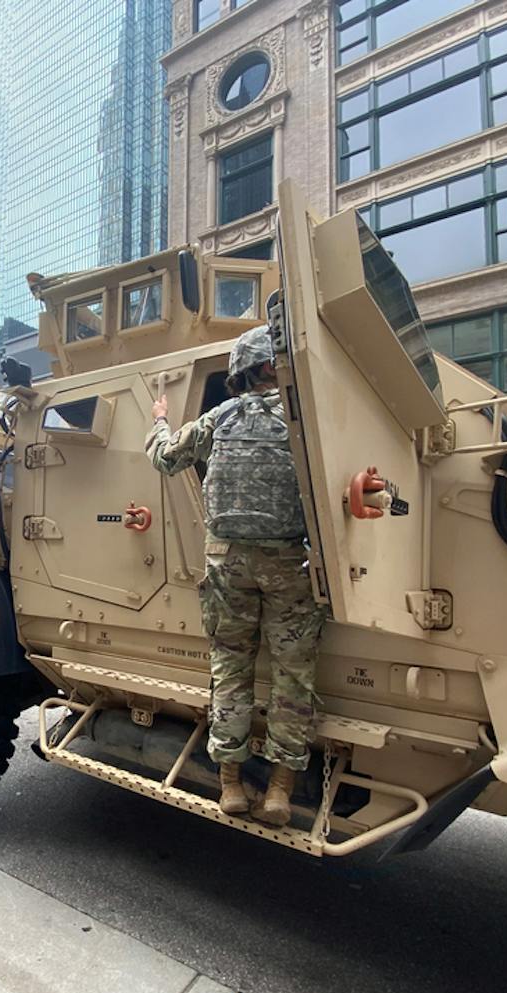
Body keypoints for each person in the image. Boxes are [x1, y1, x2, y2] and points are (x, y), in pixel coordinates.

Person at [145, 324, 323, 828]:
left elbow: (164, 457)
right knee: (293, 676)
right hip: (289, 562)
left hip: (227, 563)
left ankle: (230, 786)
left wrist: (160, 421)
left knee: (230, 668)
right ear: (272, 367)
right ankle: (281, 793)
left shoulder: (219, 417)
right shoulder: (301, 418)